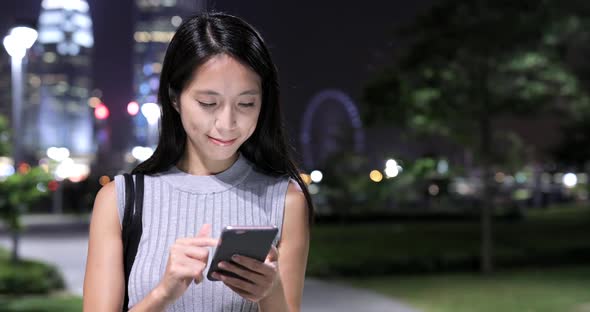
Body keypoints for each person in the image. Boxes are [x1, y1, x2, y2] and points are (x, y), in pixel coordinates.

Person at [83, 12, 313, 312]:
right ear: (175, 98)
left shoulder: (285, 199)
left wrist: (270, 292)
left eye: (246, 103)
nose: (227, 123)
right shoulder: (121, 200)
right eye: (208, 103)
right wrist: (163, 293)